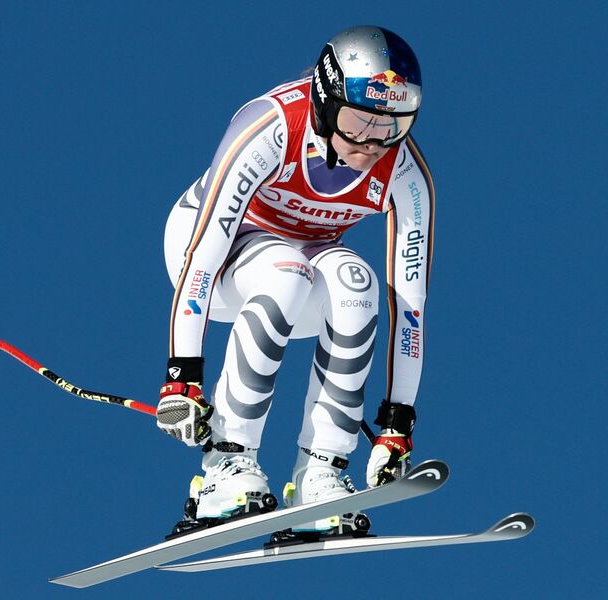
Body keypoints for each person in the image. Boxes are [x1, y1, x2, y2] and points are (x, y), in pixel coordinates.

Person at [157, 25, 434, 537]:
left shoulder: (405, 173)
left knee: (357, 281)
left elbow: (409, 305)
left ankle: (322, 474)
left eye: (392, 127)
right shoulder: (271, 126)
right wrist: (182, 375)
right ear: (327, 104)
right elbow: (202, 255)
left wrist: (398, 423)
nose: (372, 143)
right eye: (356, 122)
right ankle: (227, 464)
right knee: (287, 271)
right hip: (212, 256)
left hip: (302, 264)